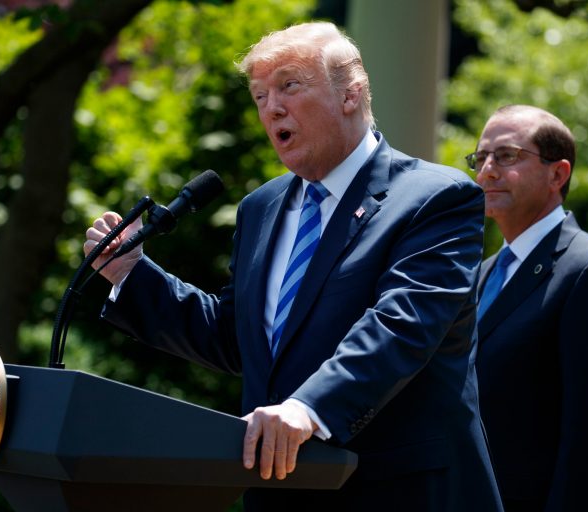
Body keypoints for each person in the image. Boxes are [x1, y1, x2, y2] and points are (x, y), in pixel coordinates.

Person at [85, 21, 502, 510]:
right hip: (280, 491)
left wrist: (309, 409)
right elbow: (237, 338)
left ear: (351, 95)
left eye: (288, 86)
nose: (272, 108)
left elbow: (402, 325)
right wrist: (131, 274)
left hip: (397, 489)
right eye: (260, 96)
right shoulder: (260, 208)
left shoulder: (436, 199)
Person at [468, 104, 588, 511]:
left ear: (557, 174)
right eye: (481, 157)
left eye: (507, 156)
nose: (487, 171)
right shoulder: (481, 273)